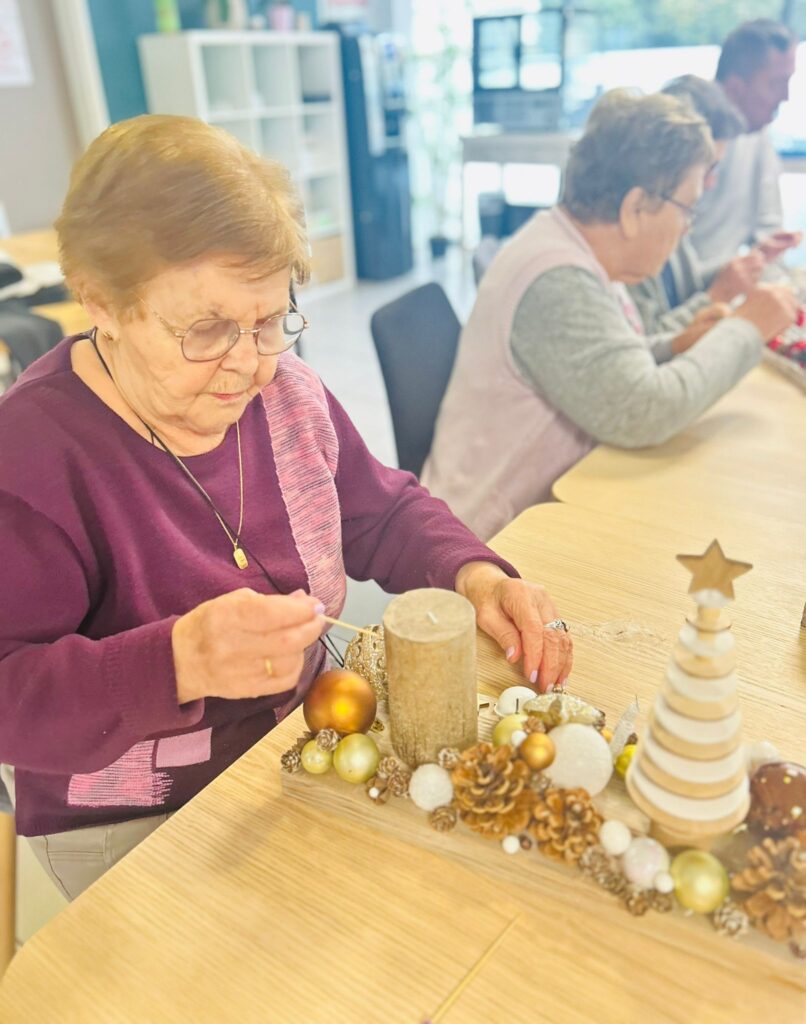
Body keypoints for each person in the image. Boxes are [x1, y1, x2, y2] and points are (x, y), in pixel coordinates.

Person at [0, 116, 572, 900]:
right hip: (136, 819)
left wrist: (474, 574)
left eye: (270, 320)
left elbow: (380, 511)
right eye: (206, 329)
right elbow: (10, 695)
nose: (250, 364)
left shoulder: (286, 393)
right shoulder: (30, 458)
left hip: (298, 740)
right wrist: (177, 662)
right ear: (102, 303)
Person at [422, 90, 798, 541]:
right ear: (636, 207)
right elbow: (642, 410)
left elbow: (614, 359)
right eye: (687, 210)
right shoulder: (556, 279)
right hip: (490, 542)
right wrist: (747, 328)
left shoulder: (577, 251)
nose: (687, 228)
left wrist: (673, 344)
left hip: (540, 511)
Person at [630, 75, 762, 339]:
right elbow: (646, 348)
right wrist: (718, 295)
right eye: (707, 168)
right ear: (669, 157)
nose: (711, 183)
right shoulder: (631, 228)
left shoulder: (675, 212)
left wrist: (736, 271)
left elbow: (682, 288)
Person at [689, 19, 801, 280]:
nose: (786, 96)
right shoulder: (687, 135)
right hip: (695, 297)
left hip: (737, 284)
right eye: (776, 83)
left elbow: (768, 228)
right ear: (736, 87)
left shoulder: (757, 132)